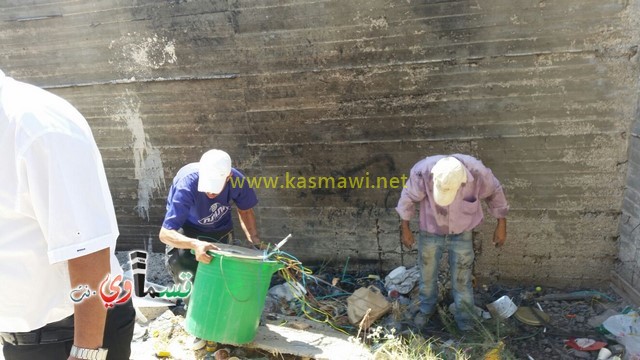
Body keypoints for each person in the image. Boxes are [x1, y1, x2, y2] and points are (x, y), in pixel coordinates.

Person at [0, 69, 135, 360]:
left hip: (76, 334)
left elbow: (88, 249)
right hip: (20, 337)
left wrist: (86, 353)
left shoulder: (36, 125)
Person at [396, 154, 508, 331]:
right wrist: (405, 228)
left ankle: (465, 318)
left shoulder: (477, 173)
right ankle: (427, 308)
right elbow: (408, 196)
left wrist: (501, 224)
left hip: (462, 230)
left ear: (462, 181)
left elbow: (495, 192)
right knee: (427, 272)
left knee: (462, 277)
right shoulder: (423, 171)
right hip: (431, 228)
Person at [159, 149, 262, 286]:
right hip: (187, 229)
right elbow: (165, 234)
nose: (210, 192)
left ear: (228, 177)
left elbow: (245, 211)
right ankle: (192, 305)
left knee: (221, 278)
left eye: (215, 188)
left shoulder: (238, 181)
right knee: (187, 275)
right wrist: (195, 244)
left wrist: (254, 241)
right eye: (207, 186)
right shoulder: (186, 184)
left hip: (220, 227)